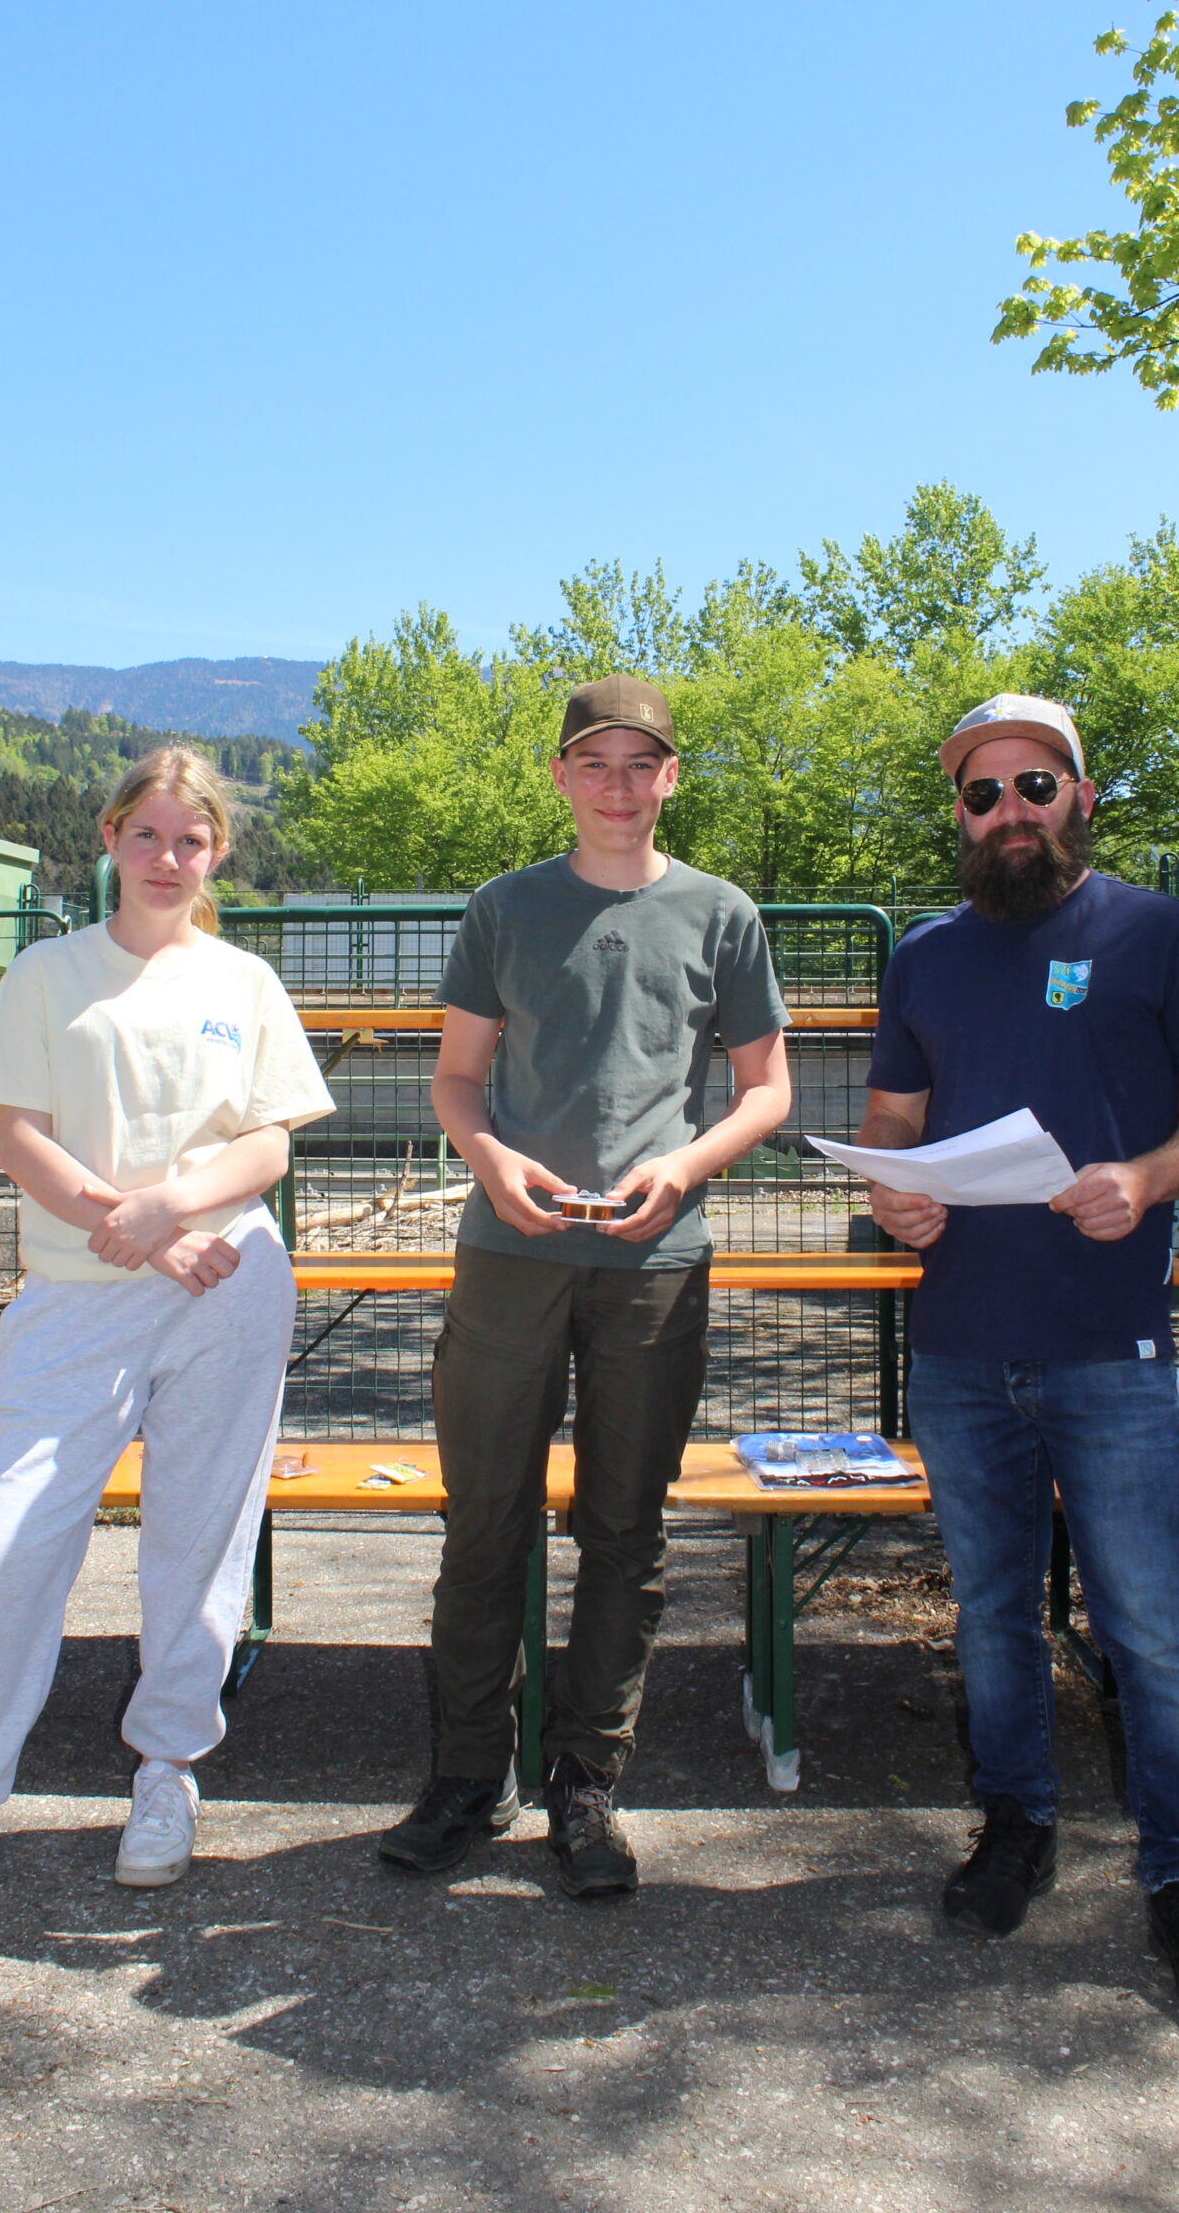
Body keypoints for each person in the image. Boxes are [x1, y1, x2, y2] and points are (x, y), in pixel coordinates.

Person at [860, 692, 1179, 2030]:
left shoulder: (1155, 933)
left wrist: (1144, 1179)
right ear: (960, 815)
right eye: (982, 794)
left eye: (1034, 785)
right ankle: (1014, 1827)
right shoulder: (925, 957)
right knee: (989, 1613)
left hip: (1108, 1343)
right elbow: (892, 1120)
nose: (1009, 812)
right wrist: (893, 1191)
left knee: (1147, 1625)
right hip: (962, 1347)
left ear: (1081, 797)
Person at [0, 747, 333, 1939]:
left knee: (200, 1540)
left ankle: (167, 1771)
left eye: (191, 840)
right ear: (111, 837)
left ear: (217, 851)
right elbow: (19, 1137)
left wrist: (172, 1213)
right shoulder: (48, 972)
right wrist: (131, 1225)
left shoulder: (244, 981)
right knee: (10, 1543)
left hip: (227, 1284)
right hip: (79, 1292)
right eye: (147, 835)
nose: (167, 859)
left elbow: (269, 1145)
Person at [379, 675, 792, 1897]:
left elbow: (766, 1088)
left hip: (653, 1264)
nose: (618, 785)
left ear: (671, 777)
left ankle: (587, 1783)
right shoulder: (505, 908)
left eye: (640, 763)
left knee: (624, 1529)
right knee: (484, 1522)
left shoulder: (722, 914)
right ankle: (468, 1776)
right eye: (595, 763)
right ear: (561, 776)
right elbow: (458, 1079)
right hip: (510, 1255)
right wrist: (491, 1159)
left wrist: (686, 1166)